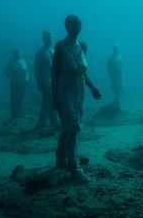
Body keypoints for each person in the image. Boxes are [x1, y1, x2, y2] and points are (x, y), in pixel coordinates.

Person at [52, 15, 102, 181]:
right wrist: (55, 98)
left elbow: (83, 72)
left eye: (80, 24)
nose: (78, 27)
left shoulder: (80, 46)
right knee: (72, 126)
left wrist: (92, 87)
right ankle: (74, 166)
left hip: (79, 92)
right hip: (65, 90)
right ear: (67, 26)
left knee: (69, 126)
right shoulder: (61, 46)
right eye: (74, 24)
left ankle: (60, 157)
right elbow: (54, 73)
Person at [34, 31, 59, 130]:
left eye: (51, 37)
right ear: (44, 39)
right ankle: (55, 123)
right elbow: (36, 69)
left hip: (54, 80)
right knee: (52, 101)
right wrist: (39, 82)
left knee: (46, 102)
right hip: (45, 80)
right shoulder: (40, 52)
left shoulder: (53, 51)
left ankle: (41, 122)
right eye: (48, 38)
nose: (50, 39)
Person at [5, 49, 28, 121]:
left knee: (22, 99)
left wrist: (26, 79)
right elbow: (5, 71)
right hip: (14, 84)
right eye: (17, 53)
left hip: (22, 84)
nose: (19, 54)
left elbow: (26, 71)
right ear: (14, 54)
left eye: (20, 53)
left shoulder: (23, 61)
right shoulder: (11, 62)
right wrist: (10, 77)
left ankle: (21, 115)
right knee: (14, 100)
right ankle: (14, 116)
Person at [107, 45, 124, 110]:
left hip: (120, 76)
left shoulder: (120, 57)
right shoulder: (111, 57)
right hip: (114, 76)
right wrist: (111, 75)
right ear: (114, 49)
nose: (117, 50)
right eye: (116, 48)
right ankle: (117, 102)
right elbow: (108, 67)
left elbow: (122, 67)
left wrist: (122, 74)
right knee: (116, 89)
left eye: (118, 48)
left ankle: (117, 102)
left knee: (119, 89)